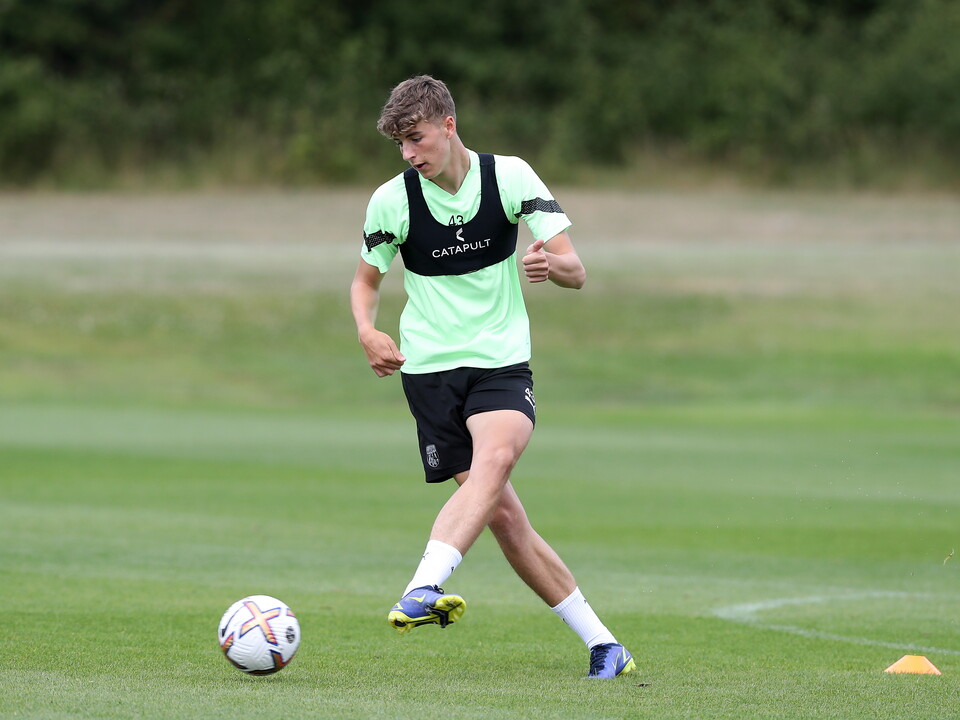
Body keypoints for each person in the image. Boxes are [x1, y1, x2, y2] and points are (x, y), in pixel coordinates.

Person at [349, 75, 635, 679]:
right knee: (503, 517)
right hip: (429, 371)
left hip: (499, 361)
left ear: (448, 125)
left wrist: (548, 264)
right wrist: (367, 330)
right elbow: (366, 281)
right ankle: (605, 645)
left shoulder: (509, 177)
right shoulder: (391, 201)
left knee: (497, 457)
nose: (409, 153)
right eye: (400, 144)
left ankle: (423, 585)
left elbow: (576, 271)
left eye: (417, 138)